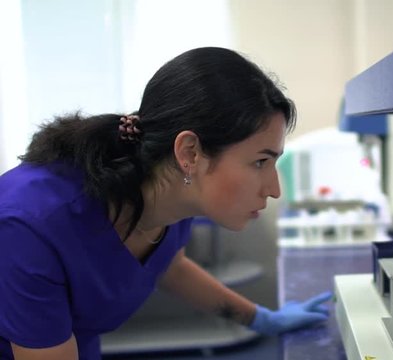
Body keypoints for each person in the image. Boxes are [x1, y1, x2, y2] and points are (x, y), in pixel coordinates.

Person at [0, 47, 332, 360]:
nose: (274, 189)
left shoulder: (170, 189)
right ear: (190, 153)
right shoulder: (31, 226)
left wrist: (261, 319)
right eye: (261, 162)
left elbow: (168, 266)